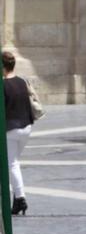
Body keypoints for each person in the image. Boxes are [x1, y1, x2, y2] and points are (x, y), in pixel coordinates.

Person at [2, 51, 36, 215]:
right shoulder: (22, 81)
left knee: (12, 164)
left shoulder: (3, 85)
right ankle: (17, 199)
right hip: (26, 127)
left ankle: (21, 198)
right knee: (14, 161)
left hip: (11, 130)